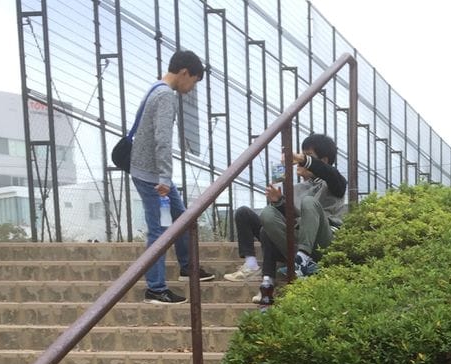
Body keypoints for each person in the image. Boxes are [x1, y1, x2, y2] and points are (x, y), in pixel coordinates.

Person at [130, 49, 216, 303]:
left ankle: (188, 267)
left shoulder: (155, 89)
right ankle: (155, 288)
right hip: (153, 177)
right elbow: (162, 140)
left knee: (182, 218)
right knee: (159, 230)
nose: (192, 87)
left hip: (149, 172)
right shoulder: (165, 95)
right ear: (184, 73)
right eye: (194, 81)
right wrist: (165, 179)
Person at [223, 133, 347, 303]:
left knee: (309, 203)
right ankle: (259, 273)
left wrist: (302, 159)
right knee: (262, 216)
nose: (300, 161)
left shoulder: (334, 183)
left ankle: (302, 260)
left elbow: (331, 175)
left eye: (308, 156)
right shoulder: (296, 188)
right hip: (298, 236)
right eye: (302, 156)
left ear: (323, 161)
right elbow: (293, 218)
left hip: (322, 241)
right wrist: (278, 201)